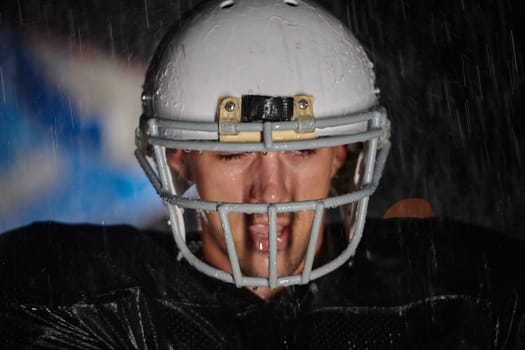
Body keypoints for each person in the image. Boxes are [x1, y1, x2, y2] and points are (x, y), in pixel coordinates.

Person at [1, 0, 524, 348]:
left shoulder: (457, 290)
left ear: (341, 156)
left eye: (301, 152)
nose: (270, 192)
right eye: (232, 154)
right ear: (180, 159)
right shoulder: (82, 296)